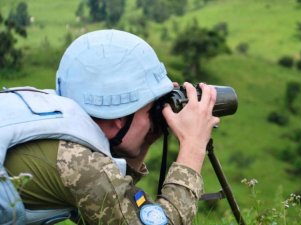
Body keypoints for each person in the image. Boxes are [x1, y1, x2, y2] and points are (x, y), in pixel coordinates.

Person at [1, 29, 219, 225]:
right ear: (117, 121)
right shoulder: (79, 163)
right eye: (150, 109)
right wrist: (193, 145)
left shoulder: (53, 114)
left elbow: (113, 205)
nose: (157, 115)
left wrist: (144, 140)